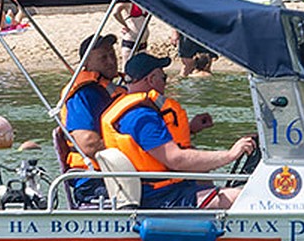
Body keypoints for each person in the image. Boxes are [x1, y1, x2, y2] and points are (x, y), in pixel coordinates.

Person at [99, 52, 255, 209]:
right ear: (151, 80)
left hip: (161, 190)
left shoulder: (131, 111)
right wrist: (230, 155)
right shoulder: (142, 118)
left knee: (201, 169)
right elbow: (175, 159)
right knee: (239, 196)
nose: (165, 84)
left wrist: (191, 129)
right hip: (161, 197)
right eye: (163, 78)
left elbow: (151, 147)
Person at [58, 34, 122, 206]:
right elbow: (87, 144)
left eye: (112, 55)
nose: (111, 61)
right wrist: (134, 153)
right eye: (103, 57)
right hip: (93, 179)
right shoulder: (83, 95)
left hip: (114, 172)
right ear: (86, 64)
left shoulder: (113, 90)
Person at [176, 0, 220, 74]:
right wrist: (175, 32)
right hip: (188, 30)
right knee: (187, 64)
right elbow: (178, 11)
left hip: (206, 30)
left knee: (207, 64)